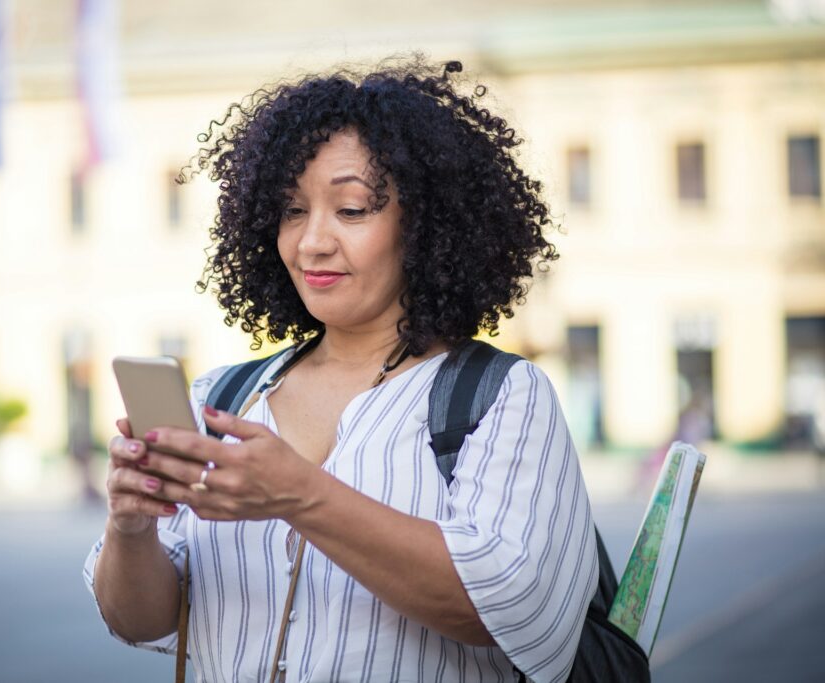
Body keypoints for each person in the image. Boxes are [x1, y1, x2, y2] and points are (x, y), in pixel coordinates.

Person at [84, 58, 598, 682]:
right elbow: (138, 620)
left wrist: (302, 495)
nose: (311, 243)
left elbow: (513, 607)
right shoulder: (221, 400)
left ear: (426, 226)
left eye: (352, 210)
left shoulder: (501, 397)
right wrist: (131, 525)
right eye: (292, 210)